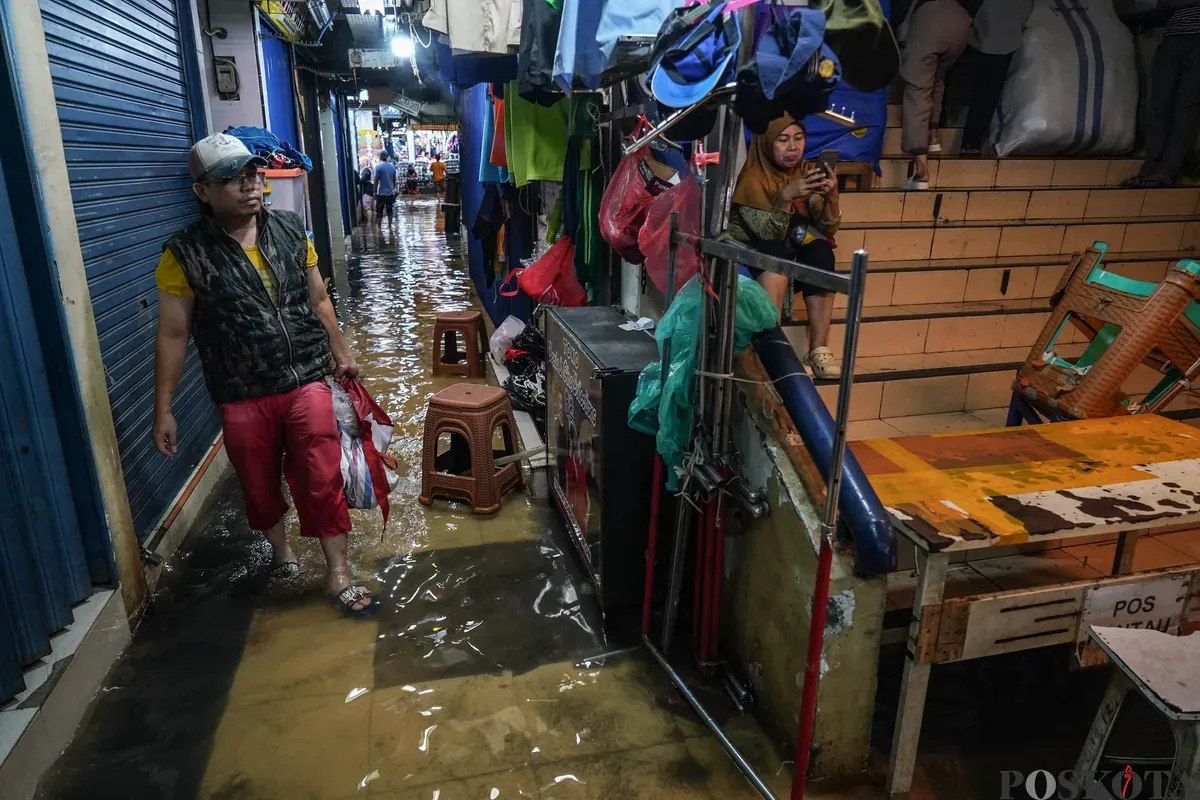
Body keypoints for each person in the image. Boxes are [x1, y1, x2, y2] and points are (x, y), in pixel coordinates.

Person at [152, 133, 377, 616]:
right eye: (232, 178)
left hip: (306, 379)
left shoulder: (293, 230)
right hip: (241, 390)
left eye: (253, 173)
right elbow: (173, 334)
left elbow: (319, 300)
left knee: (321, 473)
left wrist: (343, 354)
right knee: (257, 481)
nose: (249, 184)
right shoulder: (185, 253)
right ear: (202, 191)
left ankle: (338, 570)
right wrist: (164, 408)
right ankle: (282, 553)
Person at [729, 115, 843, 379]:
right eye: (783, 140)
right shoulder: (752, 178)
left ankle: (818, 349)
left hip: (788, 249)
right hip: (753, 256)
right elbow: (768, 235)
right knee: (775, 255)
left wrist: (832, 197)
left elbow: (827, 228)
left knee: (821, 251)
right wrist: (784, 198)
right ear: (767, 143)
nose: (792, 147)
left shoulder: (804, 171)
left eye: (798, 138)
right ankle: (772, 355)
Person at [898, 0, 980, 189]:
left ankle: (921, 172)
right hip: (960, 21)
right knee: (936, 78)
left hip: (930, 16)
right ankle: (933, 137)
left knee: (918, 89)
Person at [1125, 3, 1200, 187]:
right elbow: (1165, 4)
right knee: (1160, 105)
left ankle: (1167, 170)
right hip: (1172, 37)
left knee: (1186, 108)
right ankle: (1150, 168)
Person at [956, 0, 1034, 155]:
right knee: (988, 94)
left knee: (979, 91)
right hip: (1005, 38)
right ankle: (971, 144)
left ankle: (963, 140)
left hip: (980, 34)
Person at [374, 150, 398, 225]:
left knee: (379, 211)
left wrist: (374, 192)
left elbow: (376, 181)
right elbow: (394, 180)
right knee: (389, 210)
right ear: (387, 157)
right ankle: (390, 226)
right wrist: (393, 189)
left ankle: (379, 228)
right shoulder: (392, 167)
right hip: (390, 193)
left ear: (380, 157)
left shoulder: (378, 167)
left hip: (380, 193)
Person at [358, 155, 374, 225]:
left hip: (367, 190)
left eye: (360, 162)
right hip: (371, 190)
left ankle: (369, 222)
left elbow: (363, 179)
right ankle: (373, 222)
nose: (359, 164)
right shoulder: (370, 169)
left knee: (367, 206)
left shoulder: (366, 170)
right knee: (372, 206)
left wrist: (359, 180)